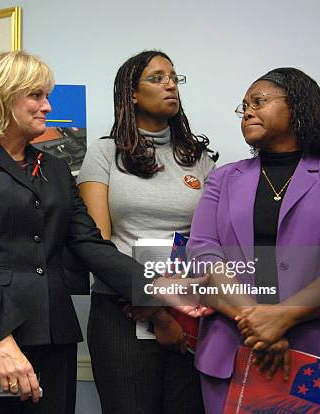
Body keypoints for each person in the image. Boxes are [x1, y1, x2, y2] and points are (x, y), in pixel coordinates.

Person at [0, 50, 174, 414]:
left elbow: (88, 244)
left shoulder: (56, 168)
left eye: (47, 96)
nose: (47, 106)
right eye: (36, 95)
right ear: (2, 95)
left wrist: (157, 286)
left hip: (52, 334)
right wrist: (1, 340)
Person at [186, 67, 320, 413]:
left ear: (299, 108)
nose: (247, 111)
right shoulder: (223, 179)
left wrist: (285, 316)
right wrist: (259, 321)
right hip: (232, 354)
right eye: (244, 105)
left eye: (259, 101)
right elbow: (203, 254)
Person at [77, 50, 216, 414]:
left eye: (173, 77)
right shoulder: (104, 154)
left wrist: (176, 314)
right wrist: (156, 311)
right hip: (123, 311)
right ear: (132, 94)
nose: (170, 84)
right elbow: (97, 243)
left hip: (191, 313)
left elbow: (213, 243)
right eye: (157, 78)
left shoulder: (200, 160)